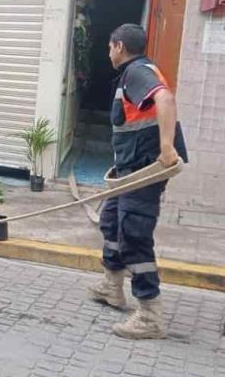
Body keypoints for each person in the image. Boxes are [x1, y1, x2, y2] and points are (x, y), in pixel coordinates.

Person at [88, 24, 187, 339]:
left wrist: (167, 148)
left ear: (118, 46)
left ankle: (149, 315)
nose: (109, 52)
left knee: (134, 235)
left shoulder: (137, 72)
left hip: (144, 173)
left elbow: (165, 99)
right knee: (111, 220)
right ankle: (112, 286)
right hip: (127, 172)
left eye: (109, 47)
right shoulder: (132, 74)